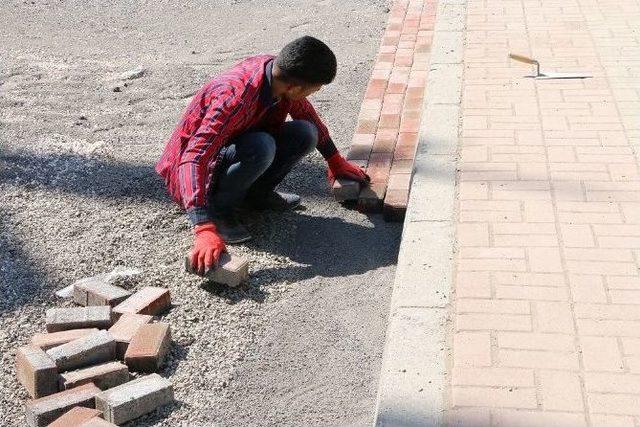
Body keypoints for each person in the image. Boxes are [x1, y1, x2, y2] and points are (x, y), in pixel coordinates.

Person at [156, 36, 370, 275]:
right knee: (262, 145)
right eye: (315, 88)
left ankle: (256, 196)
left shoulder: (278, 74)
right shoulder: (234, 98)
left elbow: (306, 113)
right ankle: (219, 209)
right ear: (295, 87)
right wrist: (202, 226)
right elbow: (193, 157)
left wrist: (335, 160)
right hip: (199, 170)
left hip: (237, 147)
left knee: (305, 133)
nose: (315, 93)